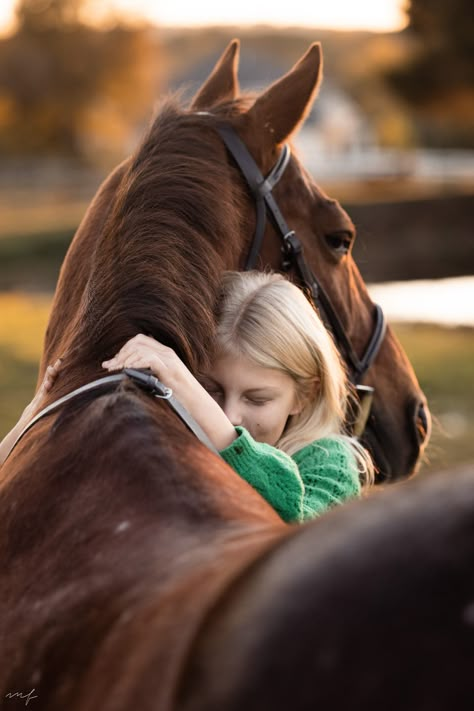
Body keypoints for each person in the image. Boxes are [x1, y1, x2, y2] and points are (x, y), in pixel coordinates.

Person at [102, 271, 374, 523]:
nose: (229, 416)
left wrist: (222, 435)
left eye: (257, 399)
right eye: (211, 390)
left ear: (305, 395)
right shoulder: (173, 435)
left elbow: (292, 525)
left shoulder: (331, 463)